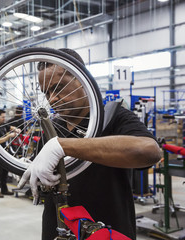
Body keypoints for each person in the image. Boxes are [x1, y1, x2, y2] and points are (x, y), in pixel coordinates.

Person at [18, 49, 161, 240]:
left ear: (82, 79)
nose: (51, 99)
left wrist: (64, 146)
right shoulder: (53, 127)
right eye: (46, 92)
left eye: (58, 88)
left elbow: (149, 151)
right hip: (58, 229)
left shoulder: (113, 117)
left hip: (107, 230)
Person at [0, 109, 20, 198]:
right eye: (2, 117)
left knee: (5, 171)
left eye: (5, 117)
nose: (4, 118)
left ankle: (4, 189)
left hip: (5, 151)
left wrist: (16, 129)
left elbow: (10, 127)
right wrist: (9, 136)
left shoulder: (3, 124)